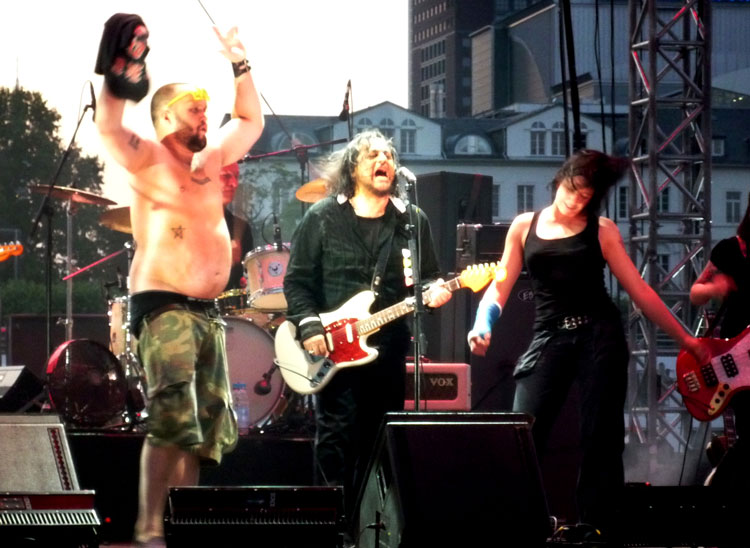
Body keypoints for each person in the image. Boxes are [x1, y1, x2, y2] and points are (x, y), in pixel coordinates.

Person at [468, 149, 708, 536]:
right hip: (549, 334)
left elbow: (640, 291)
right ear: (560, 180)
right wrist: (482, 322)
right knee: (523, 428)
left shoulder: (602, 230)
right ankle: (521, 522)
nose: (575, 201)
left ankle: (595, 527)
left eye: (585, 196)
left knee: (601, 435)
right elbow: (499, 285)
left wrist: (686, 340)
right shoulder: (524, 226)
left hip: (599, 335)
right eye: (572, 189)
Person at [94, 15, 264, 546]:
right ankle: (148, 527)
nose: (204, 117)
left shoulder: (211, 158)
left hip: (206, 313)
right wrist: (119, 73)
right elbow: (109, 126)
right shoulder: (146, 158)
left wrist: (239, 63)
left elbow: (250, 120)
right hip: (163, 305)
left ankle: (180, 525)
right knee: (172, 416)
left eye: (205, 110)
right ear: (167, 116)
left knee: (202, 431)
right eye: (195, 110)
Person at [283, 129, 452, 527]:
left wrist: (436, 291)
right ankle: (332, 528)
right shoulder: (322, 216)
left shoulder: (411, 220)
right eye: (373, 155)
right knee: (336, 440)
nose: (383, 161)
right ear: (353, 168)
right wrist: (310, 327)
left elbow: (428, 277)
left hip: (389, 349)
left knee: (383, 442)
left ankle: (374, 529)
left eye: (389, 156)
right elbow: (297, 281)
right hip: (334, 350)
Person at [690, 193, 750, 490]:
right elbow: (695, 292)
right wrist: (717, 286)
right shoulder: (730, 249)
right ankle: (719, 484)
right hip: (737, 358)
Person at [220, 161, 254, 291]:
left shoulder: (242, 228)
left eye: (236, 176)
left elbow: (245, 283)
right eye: (226, 176)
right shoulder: (187, 224)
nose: (234, 183)